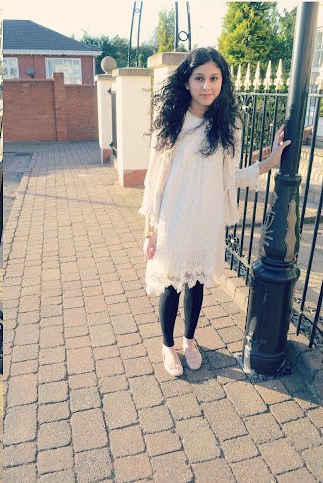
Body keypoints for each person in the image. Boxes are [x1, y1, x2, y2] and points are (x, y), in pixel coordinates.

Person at [140, 47, 291, 377]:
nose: (206, 86)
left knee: (196, 284)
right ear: (186, 81)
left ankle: (189, 341)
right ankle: (168, 347)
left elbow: (229, 177)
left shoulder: (228, 123)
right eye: (199, 78)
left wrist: (269, 163)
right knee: (171, 285)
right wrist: (150, 230)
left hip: (206, 219)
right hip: (173, 217)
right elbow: (155, 178)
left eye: (213, 78)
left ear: (222, 82)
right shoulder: (171, 119)